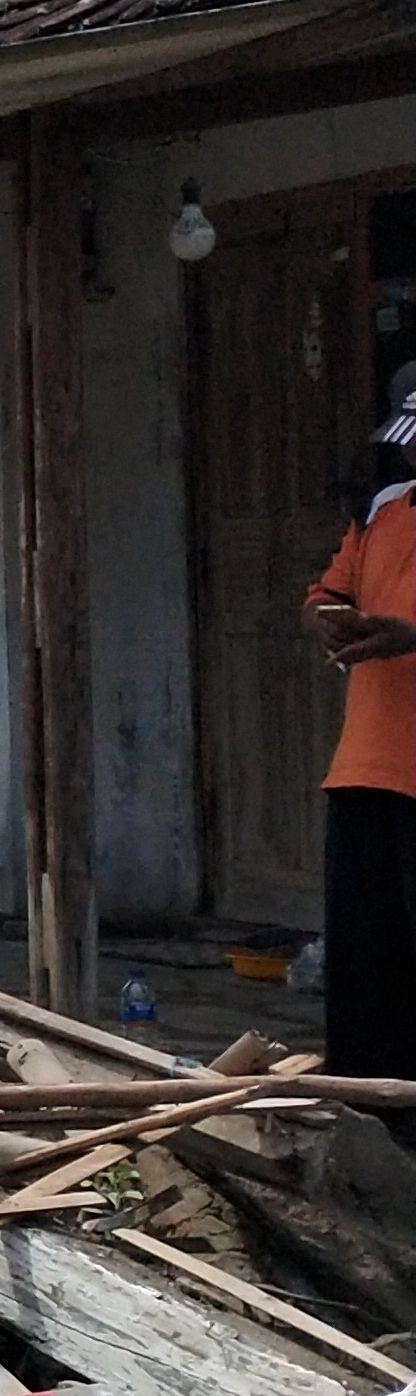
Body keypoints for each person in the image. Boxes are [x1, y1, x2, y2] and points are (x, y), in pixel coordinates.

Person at [311, 361, 416, 1085]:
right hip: (365, 764)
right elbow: (328, 588)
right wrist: (330, 622)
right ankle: (365, 1092)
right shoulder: (383, 510)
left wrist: (409, 636)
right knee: (363, 948)